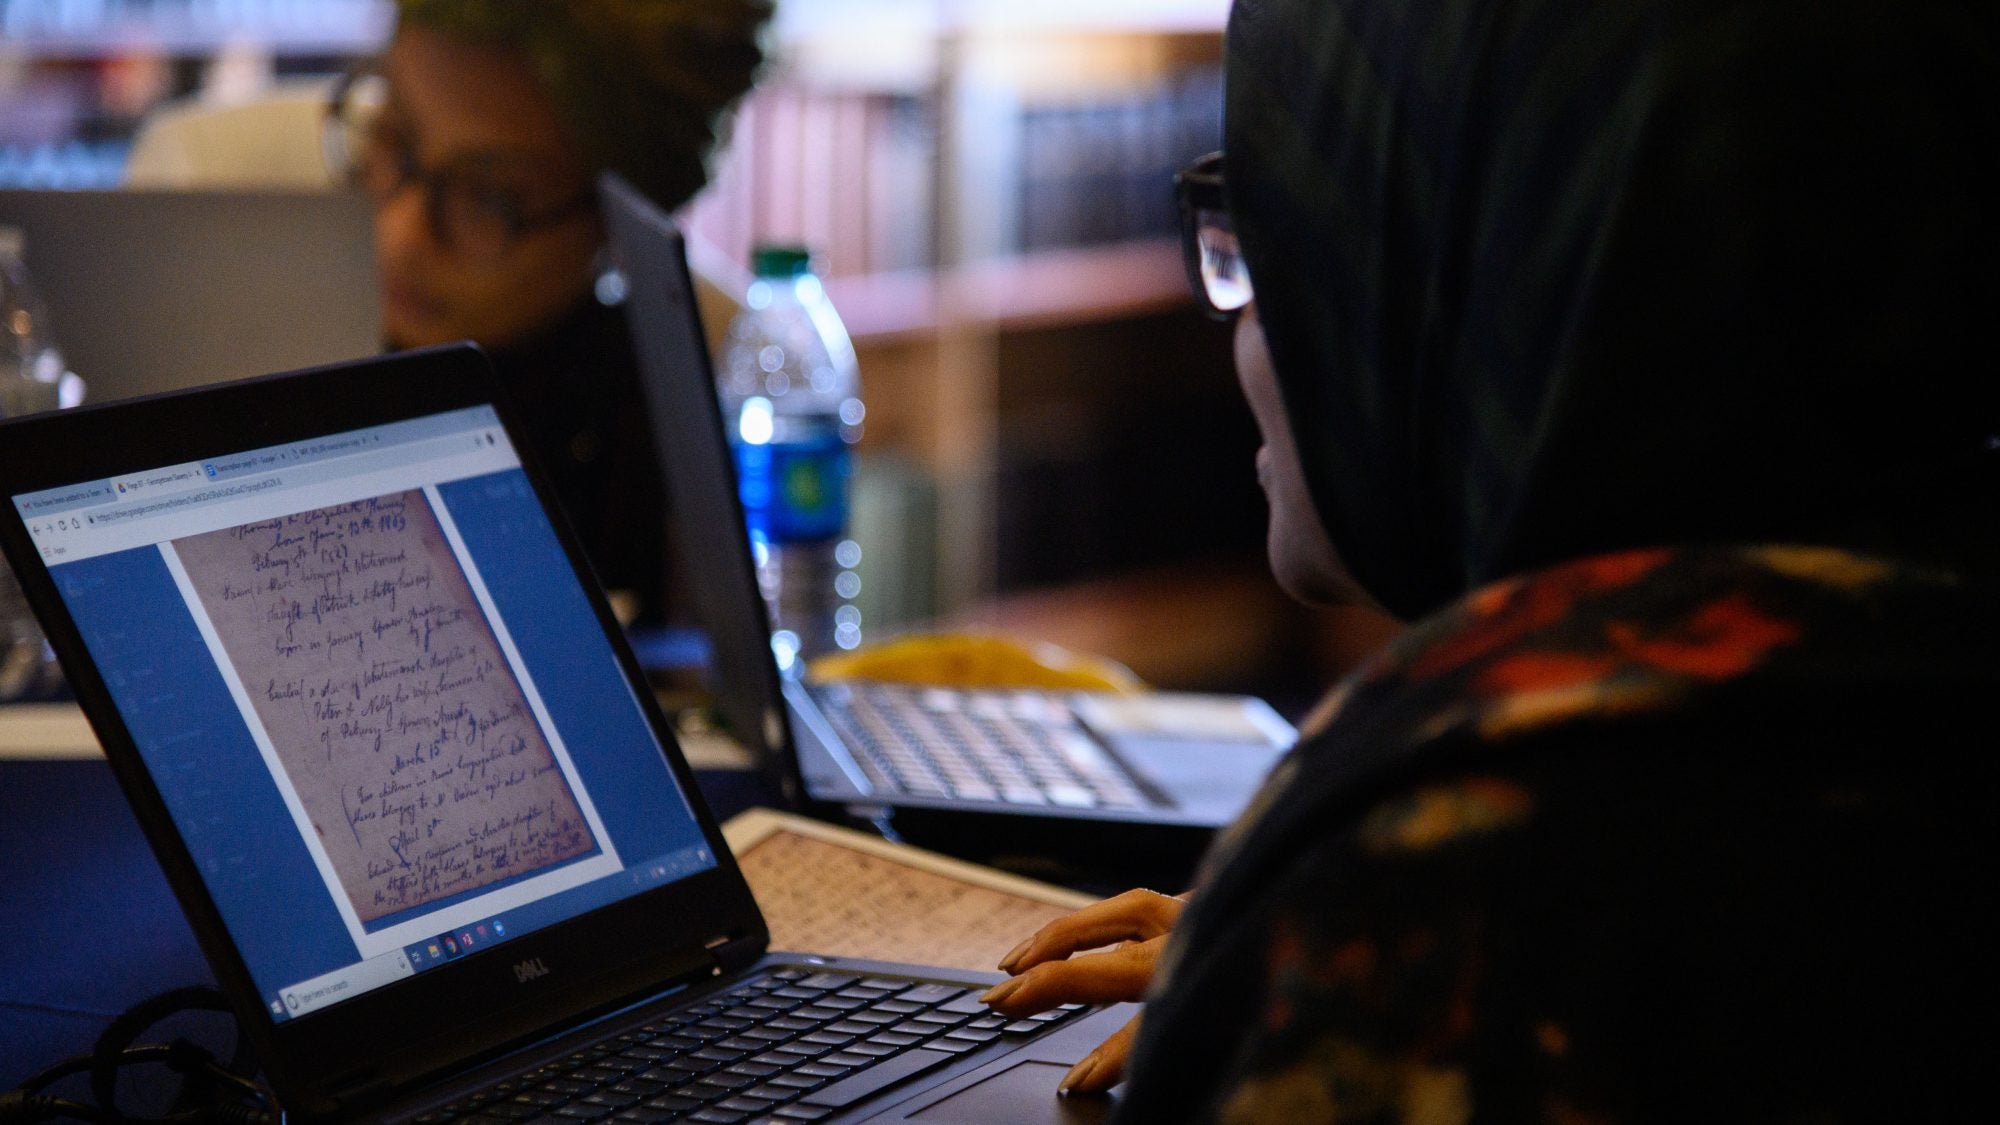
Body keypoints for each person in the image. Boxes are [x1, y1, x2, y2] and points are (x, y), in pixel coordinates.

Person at [983, 0, 1998, 1118]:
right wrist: (1261, 957)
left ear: (1479, 280)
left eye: (1282, 246)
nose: (1237, 329)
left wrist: (1340, 961)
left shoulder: (1472, 873)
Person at [324, 0, 771, 621]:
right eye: (392, 136)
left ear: (615, 224)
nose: (398, 237)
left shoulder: (669, 420)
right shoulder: (239, 320)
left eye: (490, 198)